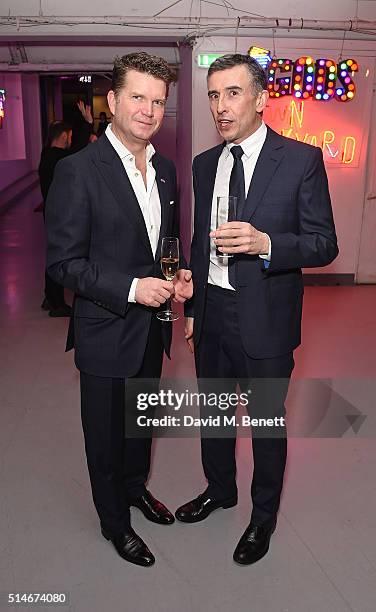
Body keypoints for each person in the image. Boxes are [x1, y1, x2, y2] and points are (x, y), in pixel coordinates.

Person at [175, 54, 338, 566]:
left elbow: (323, 244)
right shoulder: (205, 165)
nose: (220, 107)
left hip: (266, 314)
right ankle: (220, 490)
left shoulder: (300, 160)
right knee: (215, 413)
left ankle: (262, 516)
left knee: (266, 422)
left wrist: (268, 243)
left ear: (261, 99)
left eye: (232, 93)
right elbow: (202, 240)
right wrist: (197, 305)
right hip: (214, 312)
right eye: (213, 95)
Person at [46, 52, 192, 567]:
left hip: (152, 331)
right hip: (106, 332)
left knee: (139, 425)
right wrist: (133, 288)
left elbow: (167, 241)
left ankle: (134, 489)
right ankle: (115, 522)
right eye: (138, 97)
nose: (149, 111)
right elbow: (65, 264)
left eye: (158, 101)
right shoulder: (77, 171)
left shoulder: (168, 171)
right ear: (112, 101)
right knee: (105, 439)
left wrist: (179, 274)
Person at [38, 120, 73, 317]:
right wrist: (86, 127)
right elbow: (77, 155)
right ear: (63, 137)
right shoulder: (57, 158)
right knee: (59, 258)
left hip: (52, 213)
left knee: (54, 254)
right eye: (69, 137)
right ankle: (56, 304)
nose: (71, 141)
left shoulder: (47, 154)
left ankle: (49, 297)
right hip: (58, 215)